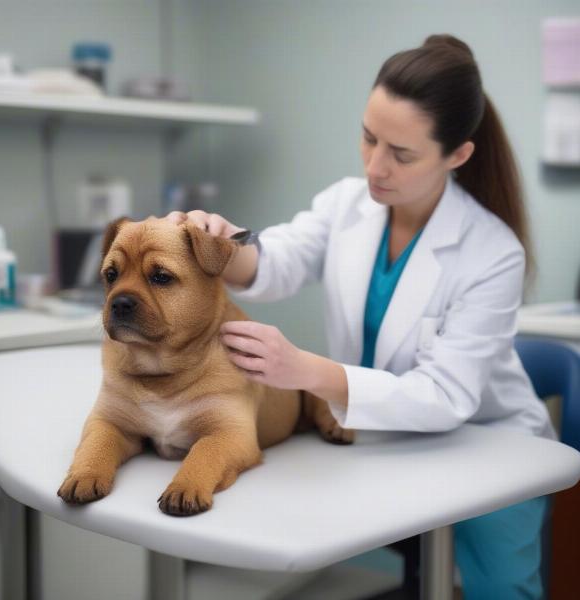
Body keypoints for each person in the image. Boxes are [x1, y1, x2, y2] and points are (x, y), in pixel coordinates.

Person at [167, 34, 555, 600]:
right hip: (388, 438)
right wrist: (220, 244)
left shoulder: (492, 252)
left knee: (501, 591)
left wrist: (304, 371)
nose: (375, 167)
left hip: (490, 450)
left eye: (401, 154)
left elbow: (446, 395)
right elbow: (277, 261)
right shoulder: (347, 205)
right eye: (369, 138)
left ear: (458, 155)